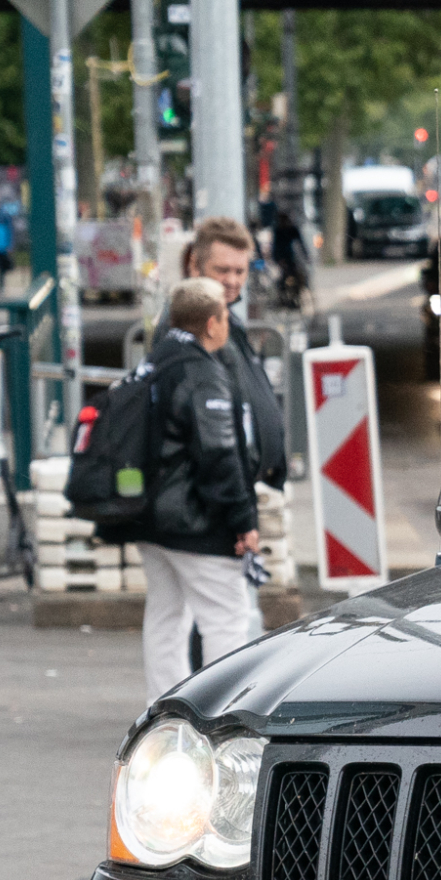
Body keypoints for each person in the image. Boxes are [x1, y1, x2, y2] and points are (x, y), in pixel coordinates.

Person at [136, 277, 261, 704]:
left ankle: (163, 708)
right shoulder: (202, 372)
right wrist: (243, 521)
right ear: (211, 323)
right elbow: (220, 452)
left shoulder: (153, 363)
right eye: (225, 316)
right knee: (226, 619)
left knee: (166, 617)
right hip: (195, 520)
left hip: (151, 519)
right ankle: (220, 713)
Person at [179, 215, 289, 491]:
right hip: (223, 502)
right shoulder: (191, 327)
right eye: (222, 270)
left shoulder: (226, 319)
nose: (232, 281)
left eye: (240, 271)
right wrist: (238, 507)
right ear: (195, 266)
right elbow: (209, 430)